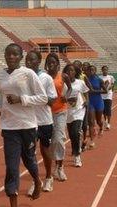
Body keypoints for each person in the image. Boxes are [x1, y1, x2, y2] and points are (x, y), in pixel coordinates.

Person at [0, 43, 47, 207]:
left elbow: (43, 98)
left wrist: (21, 99)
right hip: (9, 127)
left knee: (29, 159)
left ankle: (37, 180)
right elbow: (0, 95)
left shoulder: (28, 74)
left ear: (21, 56)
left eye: (15, 54)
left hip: (28, 125)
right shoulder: (0, 75)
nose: (11, 57)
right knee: (12, 167)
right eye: (8, 54)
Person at [25, 49, 58, 194]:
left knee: (45, 151)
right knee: (29, 153)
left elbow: (52, 100)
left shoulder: (45, 78)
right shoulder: (23, 76)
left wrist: (38, 98)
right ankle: (35, 180)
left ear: (39, 61)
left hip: (44, 121)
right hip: (28, 121)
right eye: (27, 60)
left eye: (32, 60)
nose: (28, 62)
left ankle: (49, 177)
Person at [45, 52, 71, 181]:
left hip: (60, 110)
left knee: (58, 139)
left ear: (58, 64)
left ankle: (59, 167)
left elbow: (70, 88)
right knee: (48, 142)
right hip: (46, 113)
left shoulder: (63, 76)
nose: (51, 65)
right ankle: (49, 169)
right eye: (49, 63)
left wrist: (66, 96)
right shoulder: (43, 77)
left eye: (53, 63)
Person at [62, 64, 89, 167]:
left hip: (79, 110)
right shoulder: (63, 84)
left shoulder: (80, 82)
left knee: (75, 132)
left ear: (75, 72)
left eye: (72, 70)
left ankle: (77, 157)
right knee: (72, 135)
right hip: (68, 112)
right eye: (68, 71)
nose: (70, 72)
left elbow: (86, 91)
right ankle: (75, 148)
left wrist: (86, 101)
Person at [86, 65, 107, 148]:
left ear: (95, 71)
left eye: (93, 70)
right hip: (90, 102)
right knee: (91, 122)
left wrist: (95, 91)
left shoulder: (99, 80)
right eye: (90, 70)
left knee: (98, 121)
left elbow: (105, 90)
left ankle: (101, 127)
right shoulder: (86, 80)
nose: (91, 71)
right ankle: (92, 141)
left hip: (98, 102)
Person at [100, 65, 115, 130]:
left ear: (107, 70)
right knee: (103, 110)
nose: (105, 71)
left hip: (108, 95)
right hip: (101, 95)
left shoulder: (111, 77)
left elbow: (112, 84)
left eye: (106, 69)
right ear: (102, 70)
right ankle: (105, 121)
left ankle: (108, 123)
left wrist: (108, 89)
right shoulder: (99, 77)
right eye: (104, 69)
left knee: (108, 109)